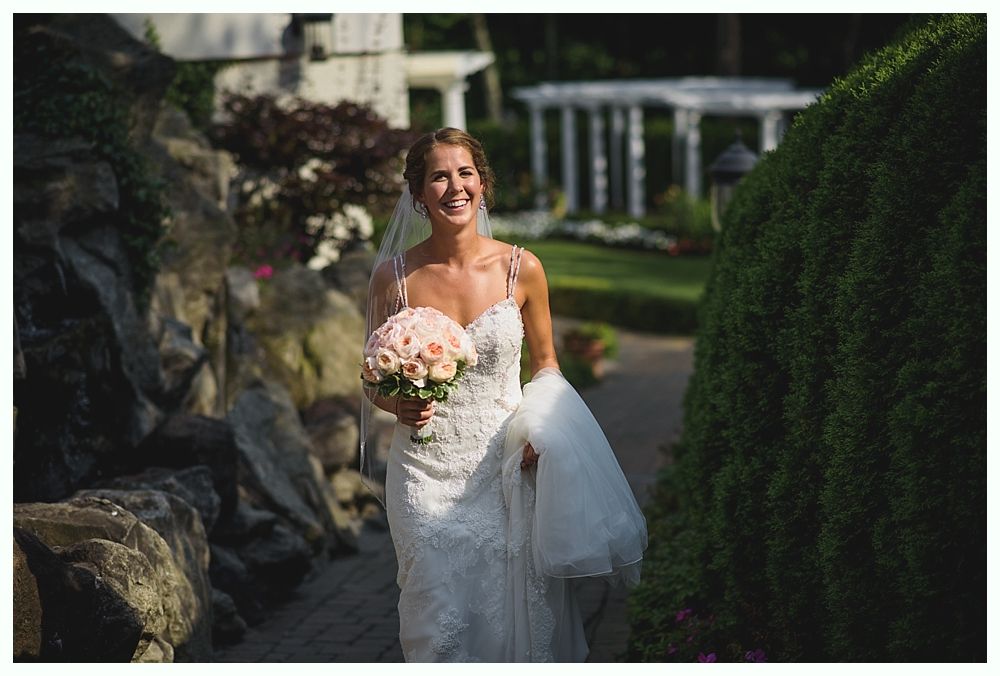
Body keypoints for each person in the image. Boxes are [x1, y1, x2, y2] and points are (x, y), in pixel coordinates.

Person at [360, 128, 645, 662]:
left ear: (483, 184)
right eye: (438, 176)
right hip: (423, 469)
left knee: (513, 607)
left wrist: (543, 430)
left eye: (464, 173)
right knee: (434, 611)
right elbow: (372, 376)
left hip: (507, 465)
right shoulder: (392, 278)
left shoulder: (523, 269)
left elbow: (547, 366)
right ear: (418, 194)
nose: (454, 187)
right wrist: (397, 403)